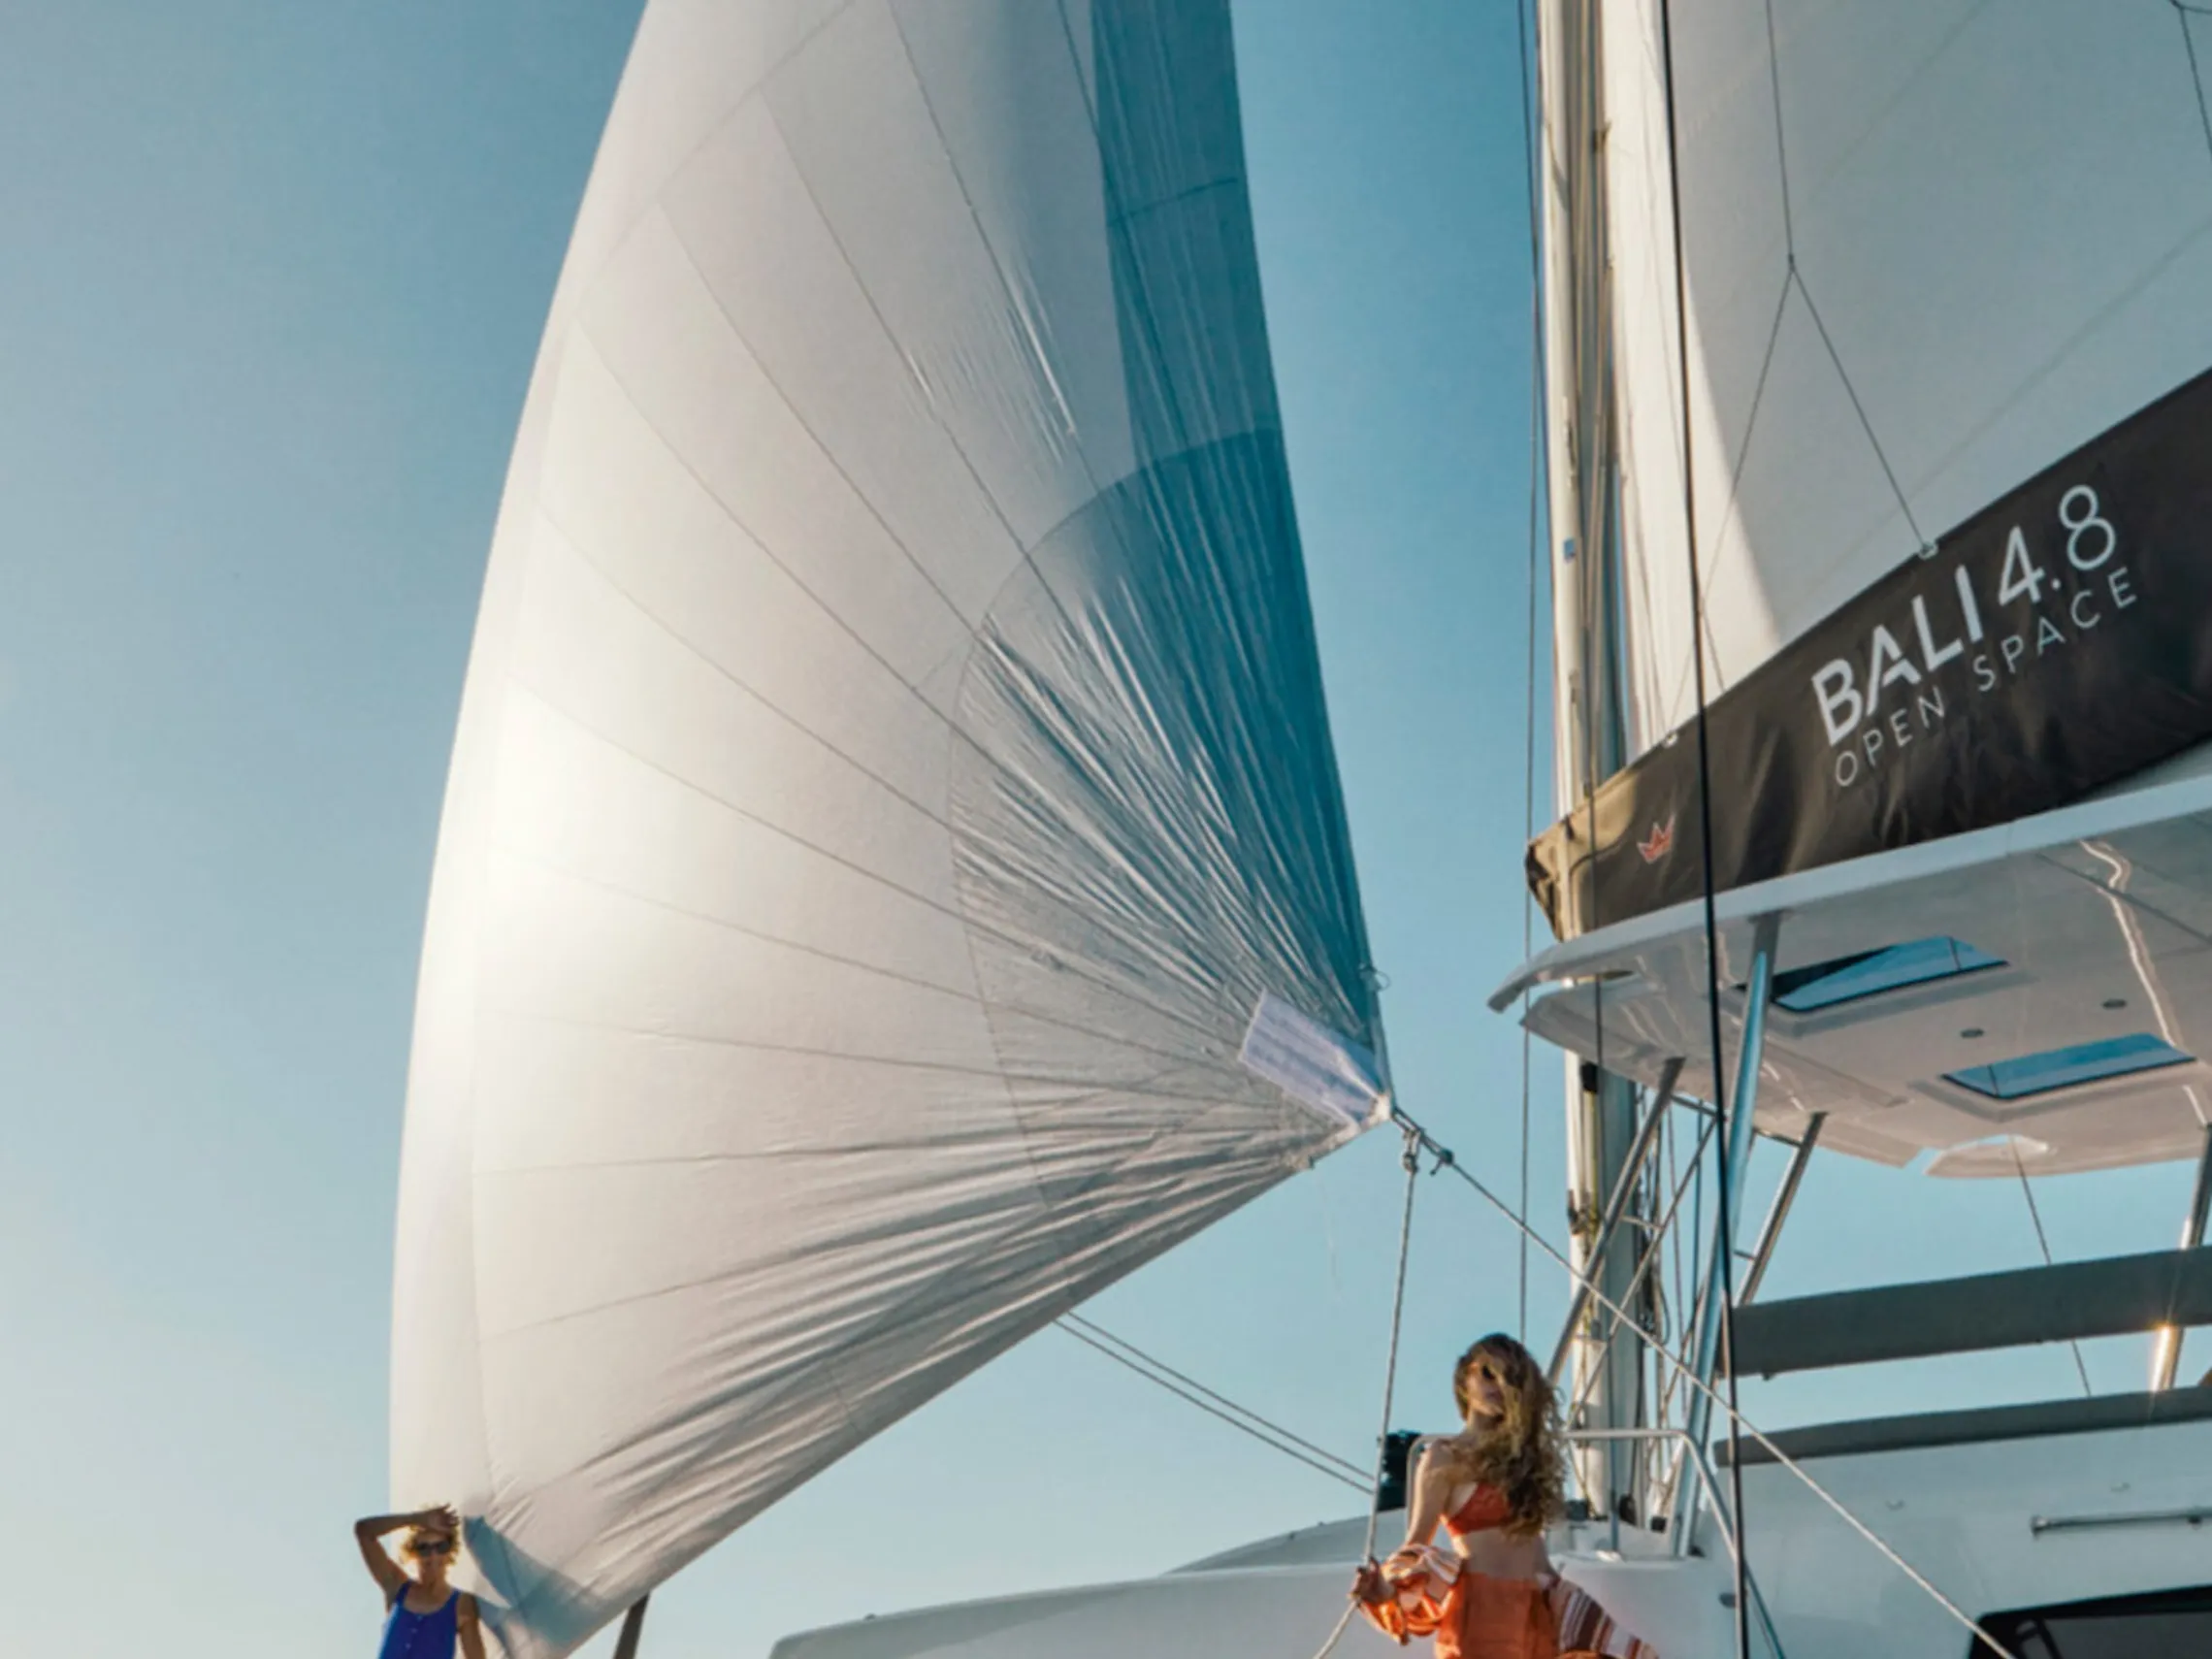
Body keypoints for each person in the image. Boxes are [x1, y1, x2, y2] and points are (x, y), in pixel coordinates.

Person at [1351, 1333, 1641, 1659]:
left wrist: (1572, 1607)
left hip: (1534, 1609)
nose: (1498, 1386)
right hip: (1480, 1608)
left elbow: (1535, 1553)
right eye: (1487, 1374)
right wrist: (1387, 1590)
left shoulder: (1523, 1461)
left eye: (1510, 1379)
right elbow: (1417, 1542)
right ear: (1464, 1379)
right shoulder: (1444, 1456)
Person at [354, 1504, 486, 1659]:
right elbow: (363, 1531)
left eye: (441, 1547)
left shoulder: (462, 1604)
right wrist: (415, 1519)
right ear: (413, 1552)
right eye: (424, 1548)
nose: (433, 1555)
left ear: (450, 1551)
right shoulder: (397, 1587)